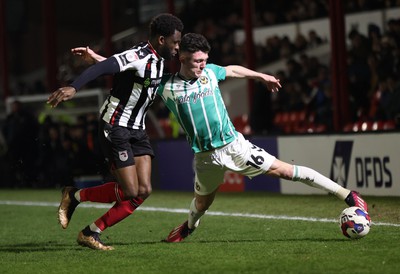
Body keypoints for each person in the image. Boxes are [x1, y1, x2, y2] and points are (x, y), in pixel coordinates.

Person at [155, 33, 369, 243]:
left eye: (205, 60)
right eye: (198, 61)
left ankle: (348, 195)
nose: (203, 65)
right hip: (205, 158)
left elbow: (232, 70)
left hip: (234, 147)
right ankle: (189, 227)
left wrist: (261, 76)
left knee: (286, 170)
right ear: (182, 58)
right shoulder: (166, 86)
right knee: (201, 205)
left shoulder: (210, 73)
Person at [47, 13, 184, 250]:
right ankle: (75, 196)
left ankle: (91, 232)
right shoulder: (139, 54)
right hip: (115, 126)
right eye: (175, 42)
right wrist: (74, 86)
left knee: (144, 191)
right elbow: (106, 68)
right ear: (162, 40)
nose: (177, 47)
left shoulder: (160, 60)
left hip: (138, 129)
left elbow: (120, 67)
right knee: (130, 190)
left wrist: (98, 57)